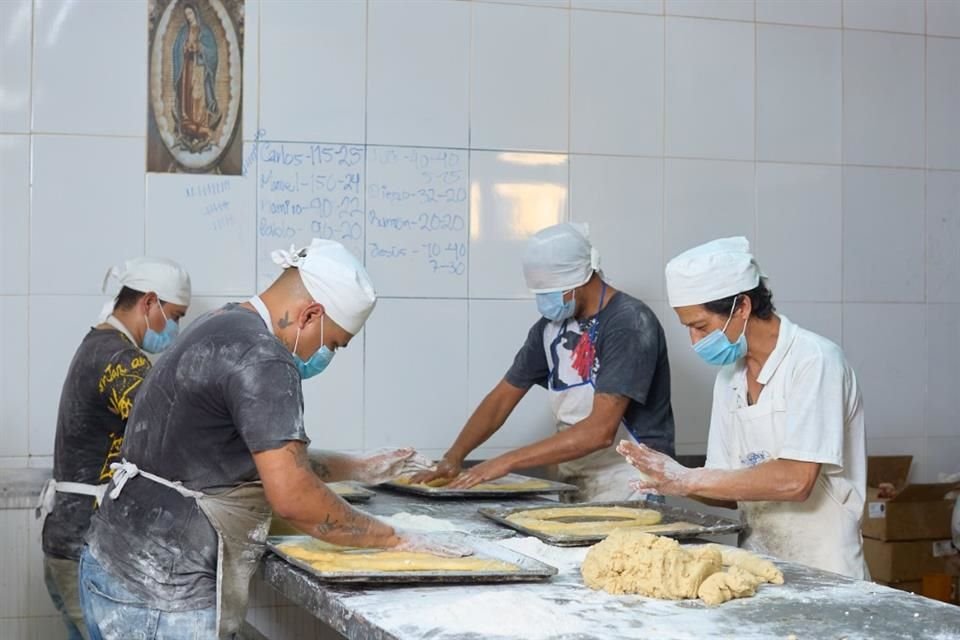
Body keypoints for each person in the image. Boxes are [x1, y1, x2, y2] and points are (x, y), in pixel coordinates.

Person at [80, 239, 465, 640]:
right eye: (332, 342)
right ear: (311, 314)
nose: (326, 354)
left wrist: (362, 468)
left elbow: (251, 462)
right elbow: (294, 498)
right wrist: (397, 538)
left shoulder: (221, 323)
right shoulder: (263, 357)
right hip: (160, 596)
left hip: (112, 566)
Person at [618, 237, 869, 579]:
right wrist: (670, 477)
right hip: (758, 566)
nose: (694, 341)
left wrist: (689, 480)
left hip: (825, 569)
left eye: (700, 326)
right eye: (688, 328)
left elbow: (797, 481)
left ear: (742, 307)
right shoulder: (730, 379)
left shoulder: (814, 361)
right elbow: (727, 489)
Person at [414, 223, 675, 502]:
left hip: (631, 483)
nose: (543, 301)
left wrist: (506, 461)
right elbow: (502, 398)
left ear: (579, 280)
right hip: (578, 479)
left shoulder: (629, 324)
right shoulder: (552, 328)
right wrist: (454, 456)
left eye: (550, 291)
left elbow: (600, 432)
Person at [38, 257, 192, 640]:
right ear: (149, 303)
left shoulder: (97, 344)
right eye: (175, 316)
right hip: (83, 545)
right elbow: (170, 433)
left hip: (68, 537)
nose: (175, 328)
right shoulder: (118, 358)